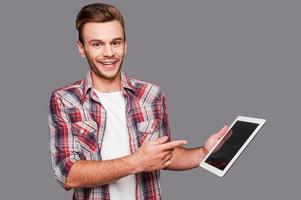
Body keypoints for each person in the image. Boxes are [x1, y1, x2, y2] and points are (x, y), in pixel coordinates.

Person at [48, 3, 228, 200]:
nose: (108, 53)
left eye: (115, 42)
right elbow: (68, 174)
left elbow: (164, 157)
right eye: (97, 44)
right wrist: (137, 162)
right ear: (81, 48)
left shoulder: (151, 94)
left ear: (125, 45)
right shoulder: (65, 100)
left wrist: (203, 153)